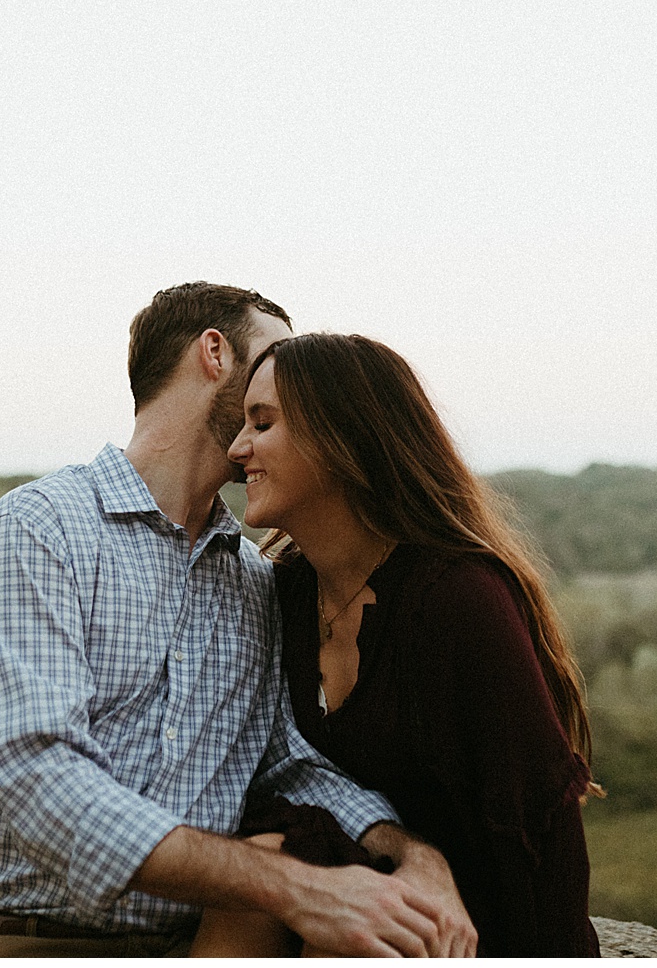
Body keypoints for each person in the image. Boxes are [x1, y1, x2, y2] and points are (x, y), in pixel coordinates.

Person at [0, 284, 476, 957]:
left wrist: (412, 853)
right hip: (29, 939)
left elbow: (289, 763)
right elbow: (47, 784)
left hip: (207, 942)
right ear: (214, 353)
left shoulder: (253, 579)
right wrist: (295, 887)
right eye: (275, 356)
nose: (293, 384)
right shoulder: (41, 528)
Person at [216, 332, 604, 957]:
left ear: (340, 437)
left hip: (471, 937)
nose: (238, 449)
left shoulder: (459, 601)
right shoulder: (279, 595)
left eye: (263, 423)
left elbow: (537, 836)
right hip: (348, 913)